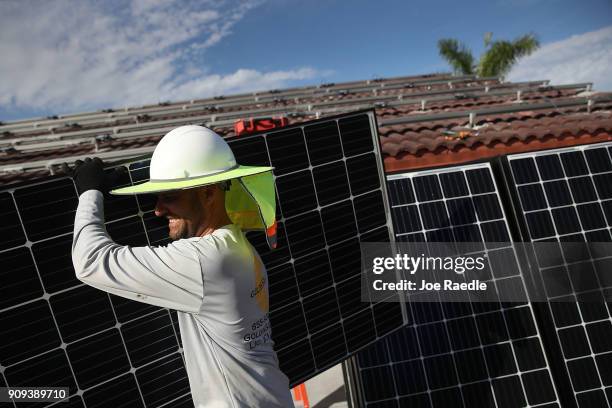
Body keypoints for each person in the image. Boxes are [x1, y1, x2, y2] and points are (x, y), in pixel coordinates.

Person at [67, 125, 293, 408]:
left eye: (169, 196)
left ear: (209, 194)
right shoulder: (239, 246)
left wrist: (90, 192)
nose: (158, 210)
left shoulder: (202, 262)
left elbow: (90, 261)